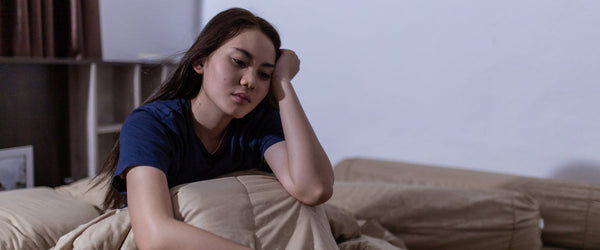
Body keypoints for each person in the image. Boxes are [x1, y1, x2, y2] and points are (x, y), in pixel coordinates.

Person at [92, 7, 334, 250]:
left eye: (264, 74)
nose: (250, 81)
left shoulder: (258, 125)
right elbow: (155, 236)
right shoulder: (152, 124)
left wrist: (283, 83)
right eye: (239, 62)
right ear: (200, 61)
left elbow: (314, 189)